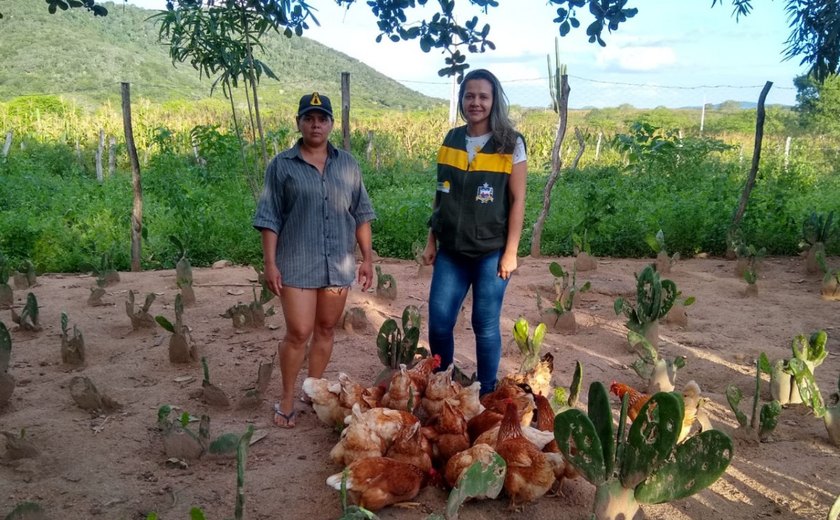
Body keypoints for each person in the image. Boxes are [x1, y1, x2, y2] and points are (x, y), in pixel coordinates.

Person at [253, 92, 376, 428]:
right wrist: (270, 263)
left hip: (337, 263)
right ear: (299, 123)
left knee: (325, 329)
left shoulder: (348, 164)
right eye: (309, 118)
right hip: (296, 261)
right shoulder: (282, 166)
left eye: (322, 119)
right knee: (298, 331)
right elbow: (269, 217)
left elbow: (361, 213)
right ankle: (288, 396)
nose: (315, 124)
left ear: (331, 124)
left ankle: (314, 389)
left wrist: (367, 259)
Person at [421, 69, 527, 396]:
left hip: (491, 252)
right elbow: (442, 194)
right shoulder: (451, 140)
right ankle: (442, 383)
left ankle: (485, 393)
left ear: (494, 100)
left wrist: (511, 251)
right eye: (469, 96)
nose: (475, 102)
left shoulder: (510, 143)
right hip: (452, 251)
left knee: (484, 324)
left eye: (483, 96)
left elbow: (518, 199)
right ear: (462, 100)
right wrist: (431, 240)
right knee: (439, 322)